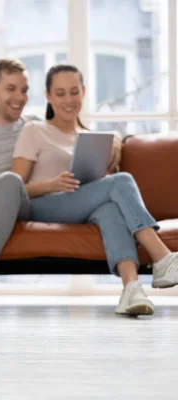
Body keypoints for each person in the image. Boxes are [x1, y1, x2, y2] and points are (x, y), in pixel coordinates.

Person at [0, 58, 124, 268]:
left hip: (12, 205)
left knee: (10, 180)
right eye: (11, 89)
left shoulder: (33, 126)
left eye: (24, 90)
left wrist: (116, 137)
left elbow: (71, 133)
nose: (20, 97)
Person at [12, 64, 178, 316]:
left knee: (110, 209)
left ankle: (131, 289)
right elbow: (14, 188)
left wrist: (111, 156)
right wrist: (52, 184)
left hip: (81, 203)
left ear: (84, 92)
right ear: (48, 95)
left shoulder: (90, 137)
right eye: (60, 93)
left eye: (74, 92)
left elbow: (102, 185)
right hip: (43, 205)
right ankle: (162, 257)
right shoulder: (34, 130)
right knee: (122, 181)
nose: (69, 100)